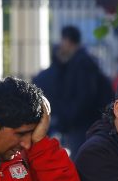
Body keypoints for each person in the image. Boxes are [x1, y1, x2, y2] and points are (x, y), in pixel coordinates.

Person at [32, 25, 111, 156]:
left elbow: (84, 97)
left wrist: (68, 117)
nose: (60, 45)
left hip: (83, 122)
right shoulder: (81, 61)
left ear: (68, 41)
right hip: (84, 121)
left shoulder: (81, 63)